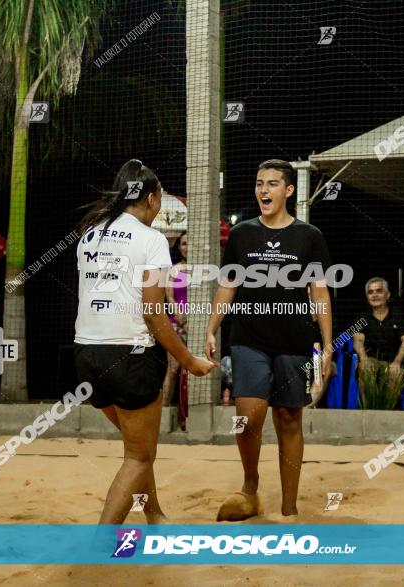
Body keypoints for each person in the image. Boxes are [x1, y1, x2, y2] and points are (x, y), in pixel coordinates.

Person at [73, 160, 214, 524]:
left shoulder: (90, 234)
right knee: (138, 457)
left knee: (139, 448)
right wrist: (189, 361)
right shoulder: (151, 240)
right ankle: (99, 544)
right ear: (151, 199)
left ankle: (155, 516)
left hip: (86, 354)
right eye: (161, 201)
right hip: (129, 355)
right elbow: (154, 314)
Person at [206, 159, 333, 521]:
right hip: (249, 337)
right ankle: (250, 482)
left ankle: (290, 507)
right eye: (259, 183)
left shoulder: (309, 236)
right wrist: (211, 328)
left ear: (289, 191)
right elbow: (228, 284)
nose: (263, 190)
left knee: (289, 418)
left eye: (272, 184)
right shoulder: (243, 234)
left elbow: (320, 293)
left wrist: (326, 346)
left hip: (294, 340)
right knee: (248, 416)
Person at [353, 277, 404, 400]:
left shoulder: (398, 315)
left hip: (393, 361)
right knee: (364, 367)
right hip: (371, 359)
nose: (374, 295)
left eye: (379, 291)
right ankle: (369, 409)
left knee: (396, 372)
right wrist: (364, 359)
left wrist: (397, 362)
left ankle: (386, 410)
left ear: (388, 295)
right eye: (370, 292)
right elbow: (358, 341)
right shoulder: (362, 317)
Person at [162, 231, 188, 430]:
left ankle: (185, 418)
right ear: (179, 247)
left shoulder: (204, 270)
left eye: (189, 243)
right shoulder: (174, 270)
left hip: (196, 326)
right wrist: (179, 316)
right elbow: (169, 297)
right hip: (176, 323)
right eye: (183, 243)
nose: (186, 247)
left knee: (195, 372)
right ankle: (162, 415)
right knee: (173, 369)